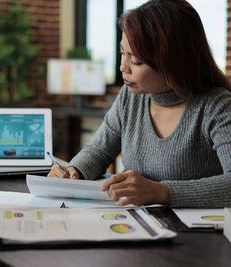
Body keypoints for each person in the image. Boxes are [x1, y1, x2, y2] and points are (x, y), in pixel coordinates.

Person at [48, 0, 231, 208]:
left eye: (136, 61)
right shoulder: (131, 96)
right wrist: (74, 171)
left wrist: (161, 192)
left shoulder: (217, 106)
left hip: (197, 237)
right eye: (122, 53)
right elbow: (98, 151)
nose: (122, 67)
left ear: (174, 62)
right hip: (135, 224)